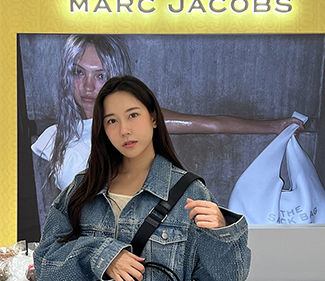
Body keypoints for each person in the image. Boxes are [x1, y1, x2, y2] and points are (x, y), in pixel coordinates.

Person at [33, 75, 251, 281]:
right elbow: (46, 267)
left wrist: (221, 231)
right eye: (111, 120)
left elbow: (224, 278)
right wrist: (101, 256)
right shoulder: (82, 190)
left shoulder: (189, 193)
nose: (124, 130)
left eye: (133, 115)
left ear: (153, 118)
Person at [31, 34, 304, 191]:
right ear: (66, 75)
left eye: (100, 75)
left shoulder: (135, 120)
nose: (88, 86)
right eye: (78, 72)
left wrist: (274, 126)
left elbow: (210, 124)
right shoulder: (54, 137)